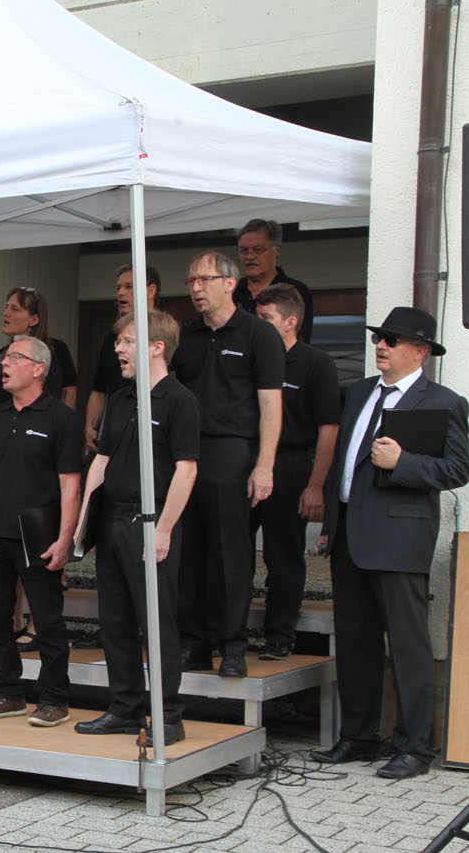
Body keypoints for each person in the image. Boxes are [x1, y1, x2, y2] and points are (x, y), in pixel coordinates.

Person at [309, 306, 469, 780]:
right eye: (380, 337)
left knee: (407, 645)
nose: (381, 345)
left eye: (393, 340)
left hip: (400, 538)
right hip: (349, 538)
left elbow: (458, 470)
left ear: (420, 351)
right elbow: (346, 463)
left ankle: (415, 748)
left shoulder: (442, 401)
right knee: (356, 644)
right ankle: (358, 737)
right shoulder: (359, 392)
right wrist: (331, 524)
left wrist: (402, 462)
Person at [73, 311, 198, 744]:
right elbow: (102, 462)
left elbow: (186, 470)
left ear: (156, 347)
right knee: (115, 620)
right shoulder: (122, 399)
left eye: (126, 342)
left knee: (156, 622)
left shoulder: (179, 400)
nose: (118, 350)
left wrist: (163, 528)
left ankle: (168, 717)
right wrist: (83, 521)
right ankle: (123, 708)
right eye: (118, 342)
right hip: (112, 520)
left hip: (152, 519)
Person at [170, 251, 284, 677]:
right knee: (187, 554)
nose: (196, 287)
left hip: (233, 451)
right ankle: (194, 645)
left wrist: (264, 464)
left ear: (230, 283)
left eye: (204, 279)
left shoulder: (258, 334)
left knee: (231, 554)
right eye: (191, 280)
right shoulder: (187, 337)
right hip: (186, 454)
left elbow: (271, 403)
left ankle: (233, 646)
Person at [0, 335, 81, 727]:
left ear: (38, 369)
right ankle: (10, 692)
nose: (6, 364)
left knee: (48, 618)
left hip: (38, 530)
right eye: (5, 357)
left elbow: (70, 484)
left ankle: (54, 698)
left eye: (15, 357)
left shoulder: (60, 417)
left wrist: (66, 539)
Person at [252, 284, 339, 660]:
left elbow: (328, 427)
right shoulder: (252, 359)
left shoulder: (316, 363)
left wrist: (316, 484)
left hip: (290, 464)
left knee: (282, 553)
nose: (259, 327)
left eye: (266, 319)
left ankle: (279, 636)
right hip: (248, 460)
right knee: (232, 550)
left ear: (291, 322)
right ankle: (225, 632)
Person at [84, 265, 161, 451]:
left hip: (154, 433)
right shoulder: (111, 339)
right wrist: (89, 426)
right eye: (118, 288)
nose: (121, 293)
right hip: (115, 432)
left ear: (150, 291)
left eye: (129, 286)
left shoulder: (164, 334)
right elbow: (99, 390)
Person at [0, 286, 77, 408]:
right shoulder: (2, 354)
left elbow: (70, 390)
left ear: (34, 319)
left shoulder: (57, 349)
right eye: (6, 307)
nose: (6, 313)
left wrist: (64, 423)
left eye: (15, 309)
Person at [233, 218, 314, 342]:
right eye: (244, 251)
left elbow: (300, 341)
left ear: (277, 250)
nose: (249, 256)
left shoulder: (295, 292)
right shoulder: (230, 291)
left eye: (258, 250)